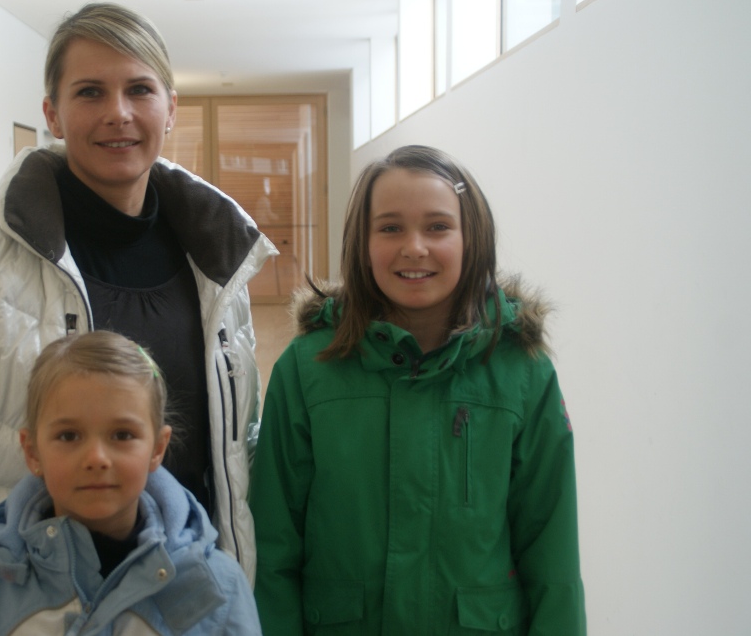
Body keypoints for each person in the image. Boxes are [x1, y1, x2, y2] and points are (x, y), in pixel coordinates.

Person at [0, 2, 274, 635]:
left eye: (139, 90)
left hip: (179, 607)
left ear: (170, 108)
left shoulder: (217, 263)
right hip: (28, 609)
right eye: (89, 92)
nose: (118, 113)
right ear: (52, 113)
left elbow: (234, 462)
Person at [249, 145, 585, 634]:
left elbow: (552, 555)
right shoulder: (307, 369)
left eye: (438, 227)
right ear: (362, 243)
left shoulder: (523, 374)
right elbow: (273, 547)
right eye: (390, 228)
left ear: (472, 238)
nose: (414, 247)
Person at [0, 331, 261, 635]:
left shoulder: (218, 589)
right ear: (32, 452)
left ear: (157, 449)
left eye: (122, 435)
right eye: (69, 436)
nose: (96, 458)